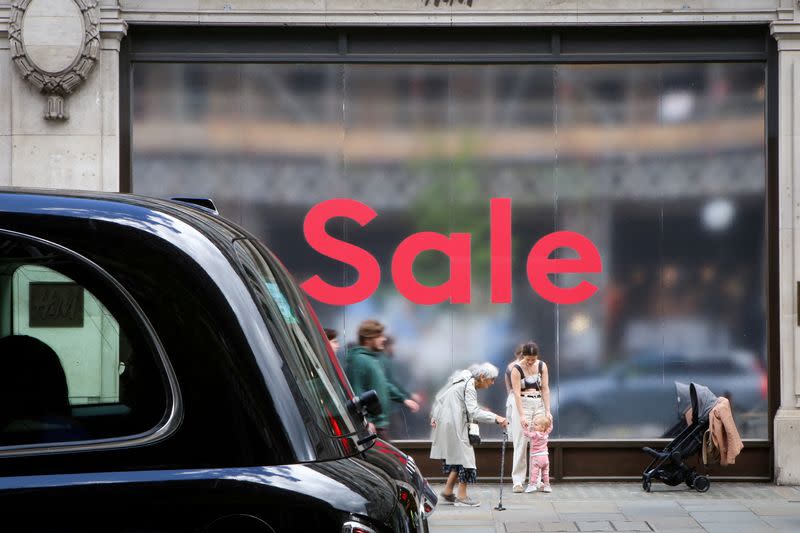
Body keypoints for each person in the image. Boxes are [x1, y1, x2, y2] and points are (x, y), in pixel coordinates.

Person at [429, 363, 509, 507]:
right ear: (483, 377)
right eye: (491, 379)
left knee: (459, 458)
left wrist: (434, 416)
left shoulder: (463, 380)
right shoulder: (469, 386)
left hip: (449, 422)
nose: (492, 383)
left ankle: (448, 491)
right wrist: (496, 418)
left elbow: (443, 397)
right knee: (467, 460)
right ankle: (462, 497)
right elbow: (473, 412)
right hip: (455, 424)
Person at [345, 319, 420, 440]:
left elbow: (384, 383)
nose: (383, 339)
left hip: (380, 425)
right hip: (371, 428)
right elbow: (356, 393)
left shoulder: (373, 360)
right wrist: (366, 422)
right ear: (368, 339)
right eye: (379, 336)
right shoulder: (359, 361)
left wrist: (404, 399)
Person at [510, 341, 552, 493]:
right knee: (521, 442)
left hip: (538, 402)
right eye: (528, 358)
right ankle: (518, 481)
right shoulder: (516, 369)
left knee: (539, 441)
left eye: (533, 359)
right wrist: (521, 415)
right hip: (524, 403)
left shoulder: (542, 366)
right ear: (523, 355)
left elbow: (546, 389)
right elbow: (516, 393)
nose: (530, 362)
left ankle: (537, 480)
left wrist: (548, 410)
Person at [522, 413, 553, 493]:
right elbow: (550, 427)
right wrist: (551, 421)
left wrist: (525, 428)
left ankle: (532, 485)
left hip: (536, 457)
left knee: (534, 472)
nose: (533, 426)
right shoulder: (546, 434)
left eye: (536, 425)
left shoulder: (535, 434)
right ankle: (547, 486)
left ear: (542, 427)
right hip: (545, 457)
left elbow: (527, 434)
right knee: (545, 473)